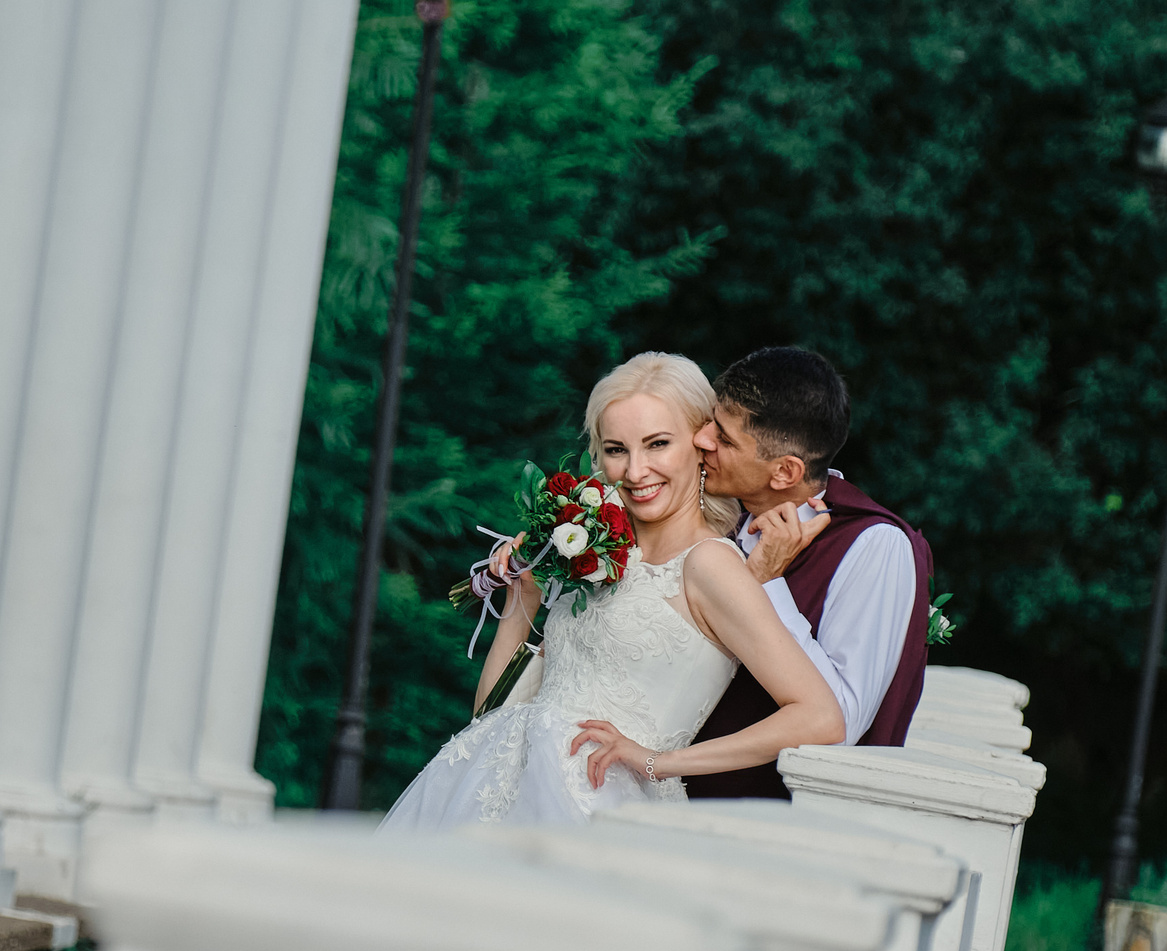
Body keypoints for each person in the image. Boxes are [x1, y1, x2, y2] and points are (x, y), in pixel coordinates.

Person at [382, 352, 843, 829]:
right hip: (488, 795)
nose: (636, 471)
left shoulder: (710, 565)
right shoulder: (599, 557)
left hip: (597, 810)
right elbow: (489, 717)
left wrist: (657, 763)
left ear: (699, 444)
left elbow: (820, 716)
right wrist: (523, 596)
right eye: (617, 449)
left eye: (657, 444)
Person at [686, 345, 931, 799]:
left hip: (766, 829)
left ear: (785, 472)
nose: (701, 440)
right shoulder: (718, 518)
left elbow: (841, 722)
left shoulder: (875, 545)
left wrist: (766, 584)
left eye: (724, 438)